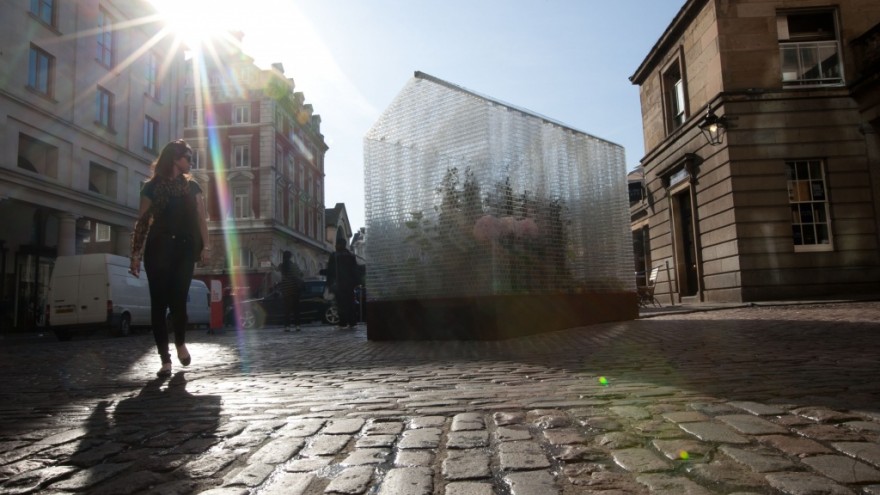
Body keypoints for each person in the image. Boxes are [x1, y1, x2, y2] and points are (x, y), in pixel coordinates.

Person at [129, 139, 209, 378]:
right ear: (175, 158)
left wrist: (207, 247)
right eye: (187, 156)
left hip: (184, 249)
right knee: (159, 304)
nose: (190, 162)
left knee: (179, 300)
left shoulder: (192, 187)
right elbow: (142, 222)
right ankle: (165, 359)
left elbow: (201, 219)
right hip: (158, 249)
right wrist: (135, 255)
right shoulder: (151, 187)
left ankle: (181, 342)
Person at [325, 240, 359, 329]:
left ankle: (342, 322)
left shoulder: (334, 255)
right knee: (350, 303)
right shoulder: (351, 255)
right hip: (350, 284)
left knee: (341, 304)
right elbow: (355, 270)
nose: (335, 246)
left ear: (340, 245)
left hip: (339, 283)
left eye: (337, 244)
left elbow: (330, 271)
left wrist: (329, 283)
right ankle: (352, 322)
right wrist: (355, 282)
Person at [278, 250, 303, 332]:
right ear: (290, 257)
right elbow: (299, 275)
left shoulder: (281, 266)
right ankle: (297, 326)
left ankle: (287, 326)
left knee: (286, 310)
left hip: (285, 291)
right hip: (295, 290)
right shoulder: (294, 266)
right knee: (296, 309)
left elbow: (277, 276)